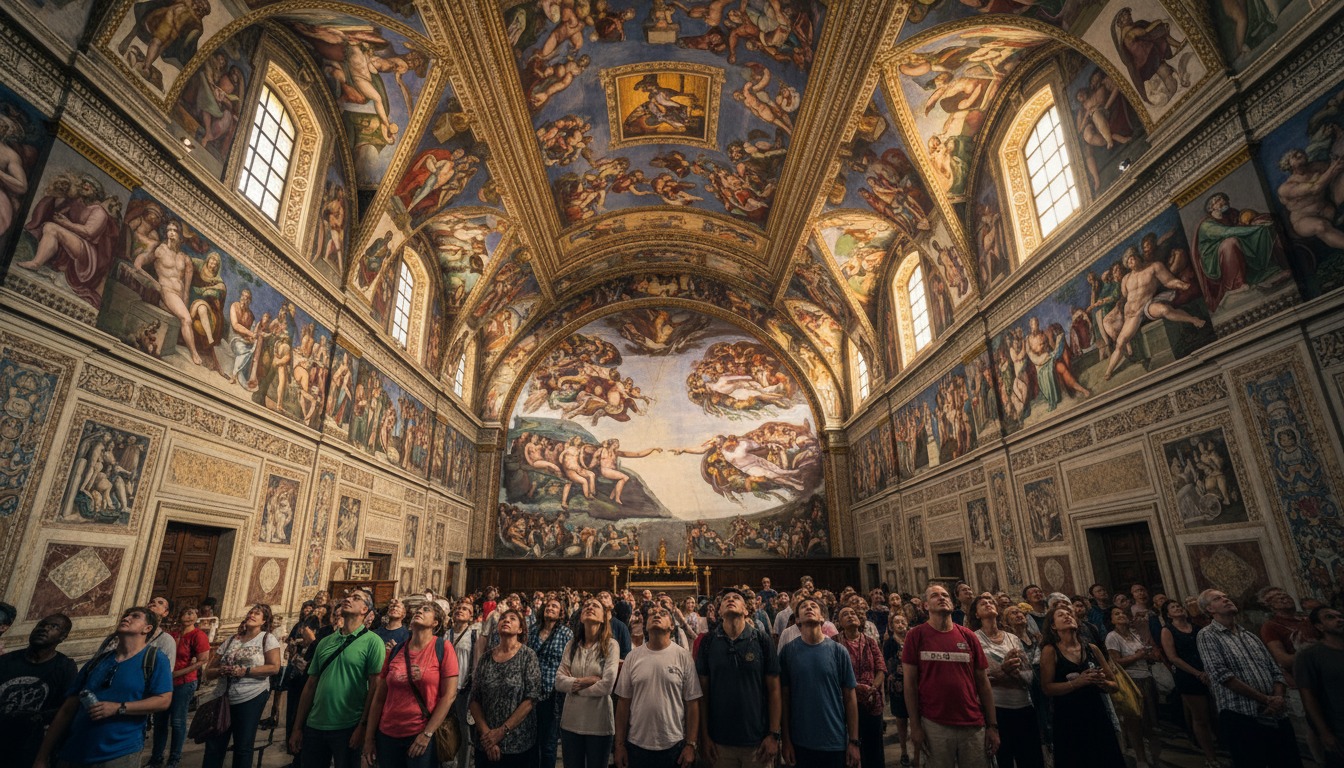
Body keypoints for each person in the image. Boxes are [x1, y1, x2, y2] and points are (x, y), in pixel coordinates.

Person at [33, 606, 173, 768]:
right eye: (126, 615)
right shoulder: (97, 662)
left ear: (147, 628)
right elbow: (67, 710)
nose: (126, 618)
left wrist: (119, 708)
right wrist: (42, 756)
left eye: (135, 616)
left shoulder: (155, 659)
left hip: (118, 752)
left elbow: (163, 700)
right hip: (75, 749)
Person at [1196, 589, 1302, 768]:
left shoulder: (1250, 635)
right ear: (1209, 609)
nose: (1226, 599)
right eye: (1218, 598)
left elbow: (1275, 670)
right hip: (1241, 714)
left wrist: (1277, 698)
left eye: (1226, 596)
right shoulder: (1207, 635)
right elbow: (1221, 674)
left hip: (1275, 713)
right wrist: (1265, 699)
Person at [903, 583, 998, 768]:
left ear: (953, 604)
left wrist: (992, 726)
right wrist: (914, 725)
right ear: (925, 605)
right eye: (935, 596)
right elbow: (910, 684)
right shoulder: (915, 636)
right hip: (934, 724)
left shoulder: (968, 636)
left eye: (945, 595)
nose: (942, 598)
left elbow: (983, 683)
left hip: (972, 722)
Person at [290, 589, 387, 768]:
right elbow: (310, 685)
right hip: (315, 723)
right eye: (348, 596)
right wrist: (297, 727)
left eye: (356, 598)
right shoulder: (325, 642)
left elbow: (375, 687)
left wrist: (363, 727)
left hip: (348, 725)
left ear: (365, 609)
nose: (348, 599)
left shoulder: (373, 642)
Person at [364, 601, 459, 768]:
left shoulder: (443, 648)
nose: (419, 611)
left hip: (419, 733)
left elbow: (449, 696)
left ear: (435, 623)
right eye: (418, 609)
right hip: (387, 733)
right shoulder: (396, 651)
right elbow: (379, 698)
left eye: (426, 610)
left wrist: (427, 733)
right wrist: (369, 738)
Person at [697, 587, 781, 768]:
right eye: (726, 598)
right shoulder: (708, 641)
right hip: (719, 742)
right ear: (719, 611)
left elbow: (774, 690)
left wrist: (774, 734)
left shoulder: (762, 640)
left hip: (757, 742)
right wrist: (704, 736)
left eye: (736, 597)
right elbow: (703, 693)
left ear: (746, 610)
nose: (730, 599)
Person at [614, 605, 702, 768]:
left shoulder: (683, 656)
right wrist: (619, 745)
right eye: (652, 614)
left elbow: (692, 703)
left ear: (672, 625)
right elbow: (623, 703)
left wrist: (691, 744)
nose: (656, 615)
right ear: (646, 625)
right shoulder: (633, 657)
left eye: (663, 613)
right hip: (637, 743)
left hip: (673, 744)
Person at [1039, 605, 1126, 768]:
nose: (1067, 616)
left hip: (1096, 712)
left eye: (1069, 614)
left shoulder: (1092, 648)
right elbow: (1047, 688)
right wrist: (1077, 683)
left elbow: (1114, 685)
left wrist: (1103, 682)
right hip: (1068, 717)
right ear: (1053, 626)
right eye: (1061, 615)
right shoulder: (1050, 650)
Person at [780, 596, 860, 768]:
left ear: (822, 617)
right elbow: (784, 699)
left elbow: (850, 698)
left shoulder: (839, 651)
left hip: (834, 739)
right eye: (804, 607)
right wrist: (786, 740)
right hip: (801, 740)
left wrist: (854, 741)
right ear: (797, 620)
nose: (809, 608)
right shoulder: (788, 652)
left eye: (813, 606)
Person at [203, 603, 282, 768]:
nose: (251, 614)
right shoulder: (231, 640)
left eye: (257, 613)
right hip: (223, 696)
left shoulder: (267, 638)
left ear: (264, 620)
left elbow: (274, 667)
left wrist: (245, 671)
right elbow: (209, 671)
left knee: (243, 746)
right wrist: (221, 670)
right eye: (250, 612)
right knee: (214, 745)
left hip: (251, 696)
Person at [970, 596, 1041, 768]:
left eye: (990, 602)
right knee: (1004, 760)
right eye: (983, 603)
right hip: (996, 709)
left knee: (1031, 760)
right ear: (977, 614)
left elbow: (1028, 676)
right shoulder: (973, 639)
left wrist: (1001, 674)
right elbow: (976, 679)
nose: (988, 604)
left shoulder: (1012, 638)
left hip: (1023, 706)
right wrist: (1005, 670)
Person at [0, 613, 76, 768]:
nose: (44, 629)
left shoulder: (64, 667)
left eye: (53, 627)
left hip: (28, 747)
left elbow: (65, 710)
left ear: (63, 637)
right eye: (41, 625)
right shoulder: (7, 661)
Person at [470, 608, 542, 767]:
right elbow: (474, 699)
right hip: (486, 742)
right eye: (503, 618)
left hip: (517, 742)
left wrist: (501, 732)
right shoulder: (486, 658)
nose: (506, 620)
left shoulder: (528, 656)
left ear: (520, 629)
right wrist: (487, 735)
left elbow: (531, 699)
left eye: (512, 618)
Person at [556, 597, 620, 768]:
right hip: (571, 721)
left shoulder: (611, 645)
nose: (590, 607)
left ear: (604, 617)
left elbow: (607, 685)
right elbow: (559, 681)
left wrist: (573, 687)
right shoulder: (572, 645)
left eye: (595, 606)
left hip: (599, 723)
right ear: (581, 616)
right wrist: (589, 680)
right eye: (586, 605)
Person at [1160, 598, 1220, 767]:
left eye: (1179, 606)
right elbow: (1173, 657)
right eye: (1173, 607)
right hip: (1188, 675)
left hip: (1208, 672)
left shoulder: (1197, 628)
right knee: (1200, 717)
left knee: (1216, 713)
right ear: (1168, 614)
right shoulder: (1168, 630)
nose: (1178, 608)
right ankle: (1211, 758)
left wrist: (1209, 670)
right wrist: (1197, 673)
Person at [155, 606, 211, 768]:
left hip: (185, 682)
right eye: (185, 613)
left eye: (192, 613)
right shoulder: (172, 635)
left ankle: (174, 757)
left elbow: (203, 660)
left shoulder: (198, 635)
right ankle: (156, 756)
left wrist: (178, 673)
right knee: (160, 721)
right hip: (165, 682)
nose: (188, 616)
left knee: (178, 721)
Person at [1106, 605, 1159, 767]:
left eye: (1123, 613)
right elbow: (1115, 662)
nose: (1121, 615)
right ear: (1111, 620)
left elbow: (1145, 653)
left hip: (1145, 678)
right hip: (1130, 681)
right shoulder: (1112, 637)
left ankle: (1151, 753)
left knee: (1149, 721)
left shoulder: (1135, 634)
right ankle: (1140, 758)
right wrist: (1138, 656)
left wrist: (1147, 654)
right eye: (1117, 614)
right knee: (1134, 722)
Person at [836, 604, 885, 768]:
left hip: (871, 701)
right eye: (845, 614)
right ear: (839, 623)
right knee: (850, 749)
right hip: (845, 701)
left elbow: (881, 669)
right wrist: (855, 687)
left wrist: (873, 688)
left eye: (853, 613)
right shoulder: (834, 643)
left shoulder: (870, 642)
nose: (850, 616)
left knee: (873, 749)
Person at [1296, 607, 1344, 767]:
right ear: (1319, 626)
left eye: (1340, 616)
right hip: (1339, 728)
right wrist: (1323, 732)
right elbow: (1308, 696)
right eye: (1330, 617)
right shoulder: (1309, 656)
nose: (1339, 620)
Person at [530, 596, 574, 768]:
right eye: (548, 606)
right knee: (532, 741)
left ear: (561, 613)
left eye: (554, 606)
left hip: (553, 694)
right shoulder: (533, 630)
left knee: (549, 743)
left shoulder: (566, 633)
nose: (550, 608)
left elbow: (569, 662)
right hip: (531, 692)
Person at [446, 598, 482, 768]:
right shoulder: (446, 634)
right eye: (458, 608)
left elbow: (476, 662)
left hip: (464, 688)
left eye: (465, 609)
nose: (460, 610)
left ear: (471, 616)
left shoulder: (474, 635)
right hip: (446, 688)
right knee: (445, 727)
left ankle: (463, 764)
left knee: (464, 729)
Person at [883, 611, 915, 767]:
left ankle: (918, 752)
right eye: (897, 622)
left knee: (917, 719)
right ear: (891, 626)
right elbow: (887, 664)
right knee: (901, 720)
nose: (901, 625)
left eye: (903, 622)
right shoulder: (889, 643)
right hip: (898, 686)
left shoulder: (912, 638)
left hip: (915, 683)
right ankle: (904, 751)